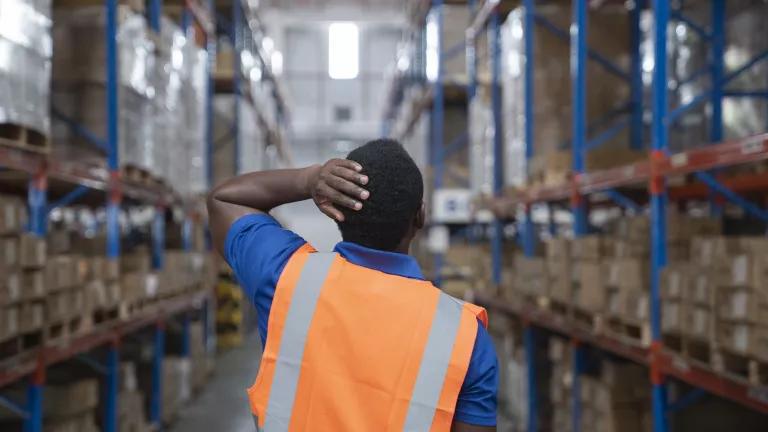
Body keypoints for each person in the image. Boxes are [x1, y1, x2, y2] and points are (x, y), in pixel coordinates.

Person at [208, 139, 498, 432]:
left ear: (334, 206)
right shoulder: (464, 336)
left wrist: (309, 179)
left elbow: (226, 200)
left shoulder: (286, 278)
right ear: (420, 216)